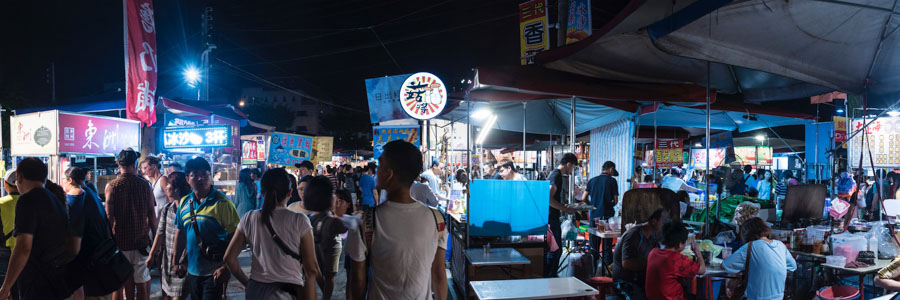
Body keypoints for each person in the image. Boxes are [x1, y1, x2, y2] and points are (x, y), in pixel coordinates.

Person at [347, 140, 448, 300]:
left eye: (380, 165)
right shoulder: (437, 219)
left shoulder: (365, 221)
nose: (377, 170)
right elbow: (439, 274)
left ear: (389, 174)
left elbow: (358, 279)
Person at [223, 168, 319, 300]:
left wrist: (247, 283)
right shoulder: (300, 220)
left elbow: (229, 258)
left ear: (262, 192)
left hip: (256, 290)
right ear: (290, 192)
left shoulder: (249, 218)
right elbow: (311, 269)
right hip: (287, 292)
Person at [0, 158, 73, 299]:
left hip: (37, 281)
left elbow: (23, 247)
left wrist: (6, 287)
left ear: (19, 178)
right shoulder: (55, 200)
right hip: (58, 279)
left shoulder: (27, 200)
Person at [173, 157, 239, 300]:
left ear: (210, 176)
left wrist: (226, 267)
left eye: (204, 174)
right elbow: (181, 232)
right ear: (187, 179)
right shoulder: (184, 202)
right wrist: (175, 262)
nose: (200, 178)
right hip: (192, 271)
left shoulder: (222, 203)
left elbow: (237, 238)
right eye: (195, 175)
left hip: (215, 272)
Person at [106, 148, 156, 300]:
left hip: (119, 243)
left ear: (118, 164)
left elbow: (109, 217)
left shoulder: (112, 186)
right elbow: (152, 216)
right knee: (141, 286)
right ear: (135, 163)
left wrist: (109, 242)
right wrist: (156, 244)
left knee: (119, 284)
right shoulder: (145, 185)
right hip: (140, 242)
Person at [63, 166, 115, 300]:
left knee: (90, 292)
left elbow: (75, 228)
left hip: (89, 254)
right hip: (100, 249)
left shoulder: (77, 195)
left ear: (70, 180)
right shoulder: (91, 192)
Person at [722, 217, 797, 300]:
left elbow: (725, 265)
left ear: (746, 234)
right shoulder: (780, 245)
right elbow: (792, 266)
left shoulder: (750, 246)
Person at [147, 172, 191, 300]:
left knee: (178, 296)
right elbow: (160, 233)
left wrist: (182, 260)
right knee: (167, 295)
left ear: (177, 189)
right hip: (168, 259)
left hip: (183, 261)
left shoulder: (190, 209)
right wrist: (151, 255)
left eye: (168, 186)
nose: (166, 188)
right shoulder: (168, 208)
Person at [305, 176, 348, 300]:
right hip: (330, 254)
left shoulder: (308, 220)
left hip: (313, 255)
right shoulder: (333, 222)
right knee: (329, 277)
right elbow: (345, 229)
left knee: (314, 274)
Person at [645, 222, 705, 300]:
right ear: (680, 244)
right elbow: (702, 270)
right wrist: (698, 252)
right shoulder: (677, 259)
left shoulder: (653, 252)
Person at [612, 209, 663, 299]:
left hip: (639, 279)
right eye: (662, 221)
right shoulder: (633, 235)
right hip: (624, 281)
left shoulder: (652, 236)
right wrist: (650, 264)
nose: (663, 224)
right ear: (654, 221)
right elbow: (626, 263)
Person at [581, 161, 619, 267]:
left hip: (594, 217)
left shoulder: (592, 181)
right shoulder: (612, 181)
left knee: (594, 246)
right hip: (606, 218)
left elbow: (584, 198)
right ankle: (607, 272)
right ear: (611, 169)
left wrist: (592, 206)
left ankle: (592, 271)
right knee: (607, 246)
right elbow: (615, 201)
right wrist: (608, 205)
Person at [546, 153, 578, 277]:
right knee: (556, 250)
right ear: (568, 164)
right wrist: (565, 209)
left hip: (552, 217)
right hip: (551, 218)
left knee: (556, 250)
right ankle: (550, 276)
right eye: (573, 167)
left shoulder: (557, 175)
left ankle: (551, 275)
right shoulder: (556, 176)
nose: (572, 170)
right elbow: (548, 199)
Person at [0, 170, 17, 292]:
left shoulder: (1, 203)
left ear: (6, 184)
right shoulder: (31, 203)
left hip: (4, 254)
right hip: (28, 255)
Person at [142, 156, 169, 224]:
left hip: (163, 222)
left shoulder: (163, 179)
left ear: (154, 166)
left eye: (145, 168)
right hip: (156, 222)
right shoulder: (154, 182)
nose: (144, 171)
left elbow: (172, 200)